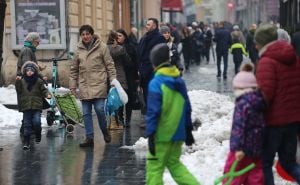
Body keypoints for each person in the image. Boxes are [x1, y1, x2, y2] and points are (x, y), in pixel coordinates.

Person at [145, 43, 199, 185]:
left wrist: (150, 133)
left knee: (154, 168)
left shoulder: (156, 83)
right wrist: (188, 130)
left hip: (161, 135)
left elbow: (153, 112)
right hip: (178, 134)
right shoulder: (179, 81)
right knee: (174, 165)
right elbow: (187, 107)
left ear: (155, 63)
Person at [254, 24, 300, 185]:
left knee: (264, 163)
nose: (255, 46)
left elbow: (265, 94)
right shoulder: (294, 58)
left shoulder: (267, 61)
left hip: (273, 123)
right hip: (293, 121)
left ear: (264, 43)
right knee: (289, 163)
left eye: (257, 42)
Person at [69, 25, 116, 147]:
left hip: (99, 83)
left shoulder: (102, 47)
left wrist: (113, 80)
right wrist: (73, 85)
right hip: (84, 85)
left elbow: (110, 65)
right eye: (83, 34)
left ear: (92, 34)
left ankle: (104, 131)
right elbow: (74, 69)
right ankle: (89, 138)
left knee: (100, 109)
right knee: (85, 113)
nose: (85, 36)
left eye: (87, 34)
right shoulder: (78, 50)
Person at [223, 63, 266, 185]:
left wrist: (238, 148)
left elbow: (239, 127)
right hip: (257, 147)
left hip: (242, 148)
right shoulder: (259, 102)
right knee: (255, 174)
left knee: (232, 173)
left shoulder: (242, 104)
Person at [15, 61, 52, 150]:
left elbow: (44, 90)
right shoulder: (22, 81)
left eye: (31, 70)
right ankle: (26, 142)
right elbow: (19, 91)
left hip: (36, 106)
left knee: (37, 122)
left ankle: (38, 134)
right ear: (25, 72)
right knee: (27, 125)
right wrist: (17, 82)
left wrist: (47, 94)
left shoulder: (39, 81)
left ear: (35, 71)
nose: (30, 72)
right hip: (26, 106)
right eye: (28, 70)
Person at [16, 32, 47, 134]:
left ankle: (28, 128)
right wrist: (41, 77)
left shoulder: (29, 50)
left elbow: (31, 66)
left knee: (30, 106)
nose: (38, 44)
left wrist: (39, 68)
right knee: (29, 105)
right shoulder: (27, 50)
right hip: (28, 83)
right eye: (37, 42)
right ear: (32, 41)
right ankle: (26, 130)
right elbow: (28, 68)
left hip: (30, 82)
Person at [137, 18, 165, 106]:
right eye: (146, 24)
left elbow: (160, 56)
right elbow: (139, 54)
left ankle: (155, 116)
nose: (146, 26)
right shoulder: (144, 37)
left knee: (153, 96)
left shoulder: (159, 37)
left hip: (153, 71)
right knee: (146, 96)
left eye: (148, 25)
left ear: (154, 26)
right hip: (143, 72)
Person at [107, 30, 132, 128]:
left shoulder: (104, 49)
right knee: (120, 98)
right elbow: (128, 62)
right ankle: (119, 120)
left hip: (108, 76)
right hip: (120, 75)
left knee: (111, 99)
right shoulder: (120, 49)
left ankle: (112, 121)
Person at [116, 28, 139, 127]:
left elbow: (135, 62)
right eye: (116, 36)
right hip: (118, 76)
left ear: (125, 36)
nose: (118, 38)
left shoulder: (131, 47)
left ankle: (128, 119)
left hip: (129, 76)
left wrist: (136, 76)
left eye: (120, 36)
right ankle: (120, 117)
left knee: (129, 98)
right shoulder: (114, 47)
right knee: (119, 97)